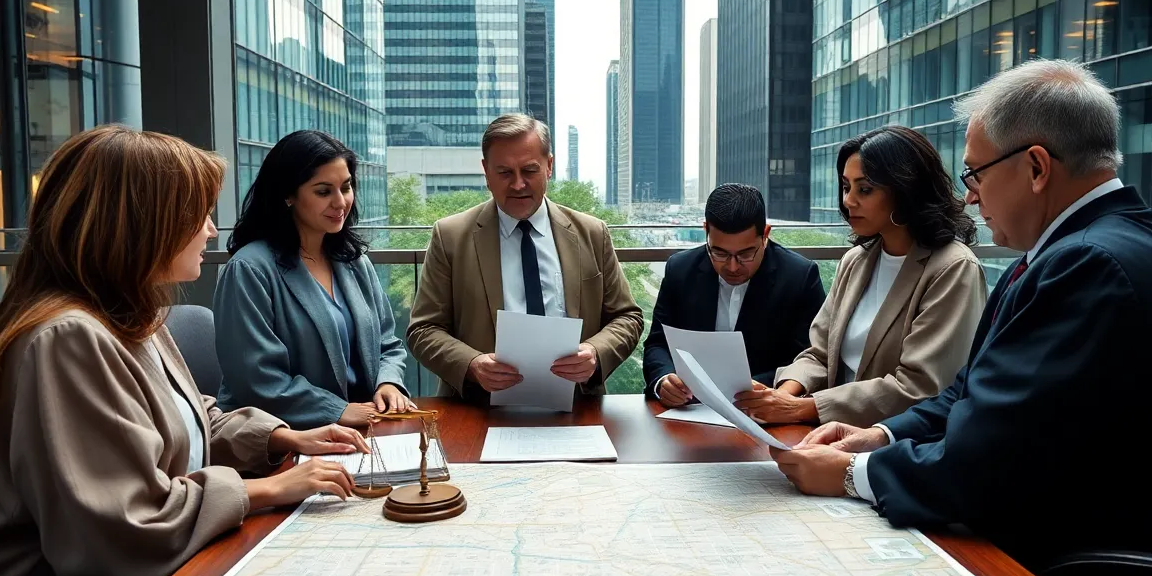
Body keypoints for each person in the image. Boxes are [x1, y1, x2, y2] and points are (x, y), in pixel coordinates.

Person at [774, 59, 1152, 567]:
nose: (970, 194)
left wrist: (852, 473)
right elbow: (969, 391)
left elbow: (986, 465)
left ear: (1036, 168)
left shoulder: (1089, 264)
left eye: (976, 172)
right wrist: (882, 434)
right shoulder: (1082, 248)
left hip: (1091, 567)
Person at [0, 125, 368, 576]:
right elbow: (123, 524)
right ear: (141, 225)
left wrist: (285, 437)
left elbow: (191, 420)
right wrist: (269, 489)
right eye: (198, 214)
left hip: (174, 568)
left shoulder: (131, 315)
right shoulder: (67, 340)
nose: (211, 229)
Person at [734, 125, 985, 427]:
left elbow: (921, 388)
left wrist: (801, 408)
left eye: (864, 189)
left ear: (905, 191)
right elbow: (819, 354)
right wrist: (781, 396)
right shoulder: (856, 261)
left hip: (897, 445)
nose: (848, 201)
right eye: (845, 187)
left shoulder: (953, 268)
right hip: (829, 432)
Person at [407, 114, 643, 403]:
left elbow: (627, 317)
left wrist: (595, 352)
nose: (518, 185)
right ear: (486, 171)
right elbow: (423, 330)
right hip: (478, 411)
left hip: (577, 408)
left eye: (529, 171)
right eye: (505, 173)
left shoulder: (592, 233)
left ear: (549, 166)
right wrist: (471, 364)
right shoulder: (450, 236)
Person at [214, 130, 411, 430]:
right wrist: (337, 411)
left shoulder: (354, 260)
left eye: (345, 187)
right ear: (288, 195)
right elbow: (255, 380)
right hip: (281, 440)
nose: (340, 202)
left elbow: (388, 343)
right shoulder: (249, 270)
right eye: (323, 191)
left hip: (364, 426)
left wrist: (389, 383)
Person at [643, 184, 825, 406]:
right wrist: (664, 380)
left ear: (765, 234)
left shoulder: (799, 276)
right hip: (688, 408)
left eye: (746, 254)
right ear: (706, 231)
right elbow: (657, 343)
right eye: (719, 252)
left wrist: (752, 391)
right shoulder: (680, 269)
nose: (732, 266)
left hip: (765, 409)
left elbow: (807, 358)